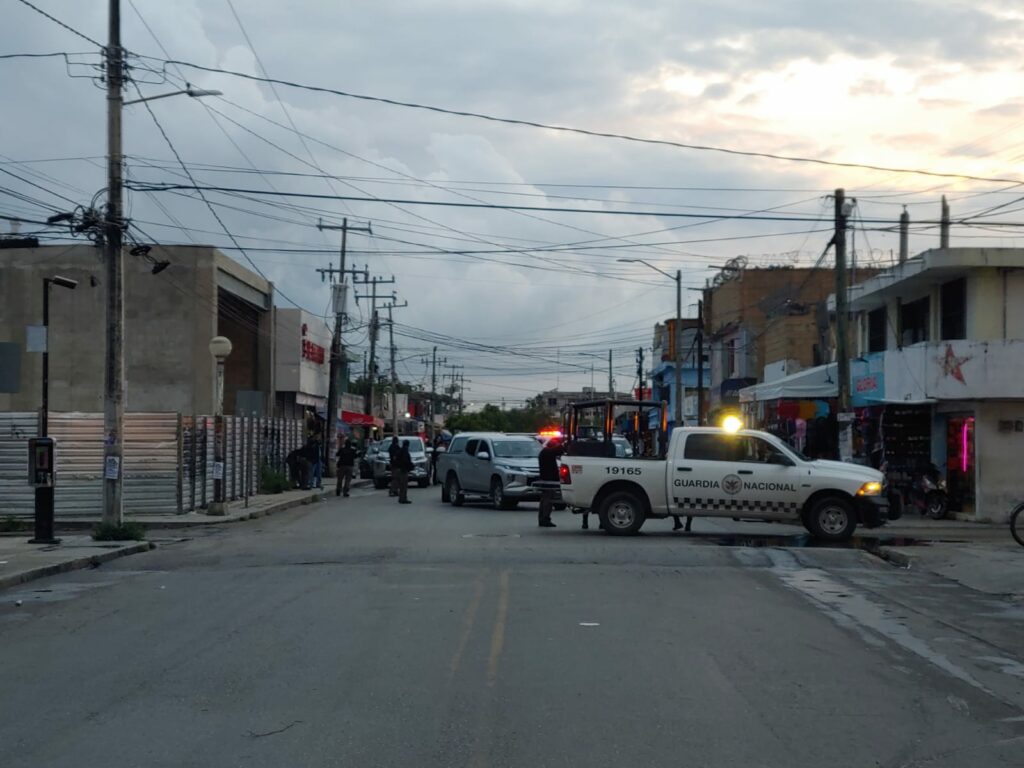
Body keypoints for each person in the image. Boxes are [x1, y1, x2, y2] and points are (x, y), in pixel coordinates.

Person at [537, 436, 563, 528]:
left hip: (546, 478)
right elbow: (559, 450)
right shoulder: (547, 452)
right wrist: (562, 444)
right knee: (547, 500)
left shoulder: (545, 452)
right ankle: (545, 518)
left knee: (544, 499)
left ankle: (542, 519)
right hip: (548, 479)